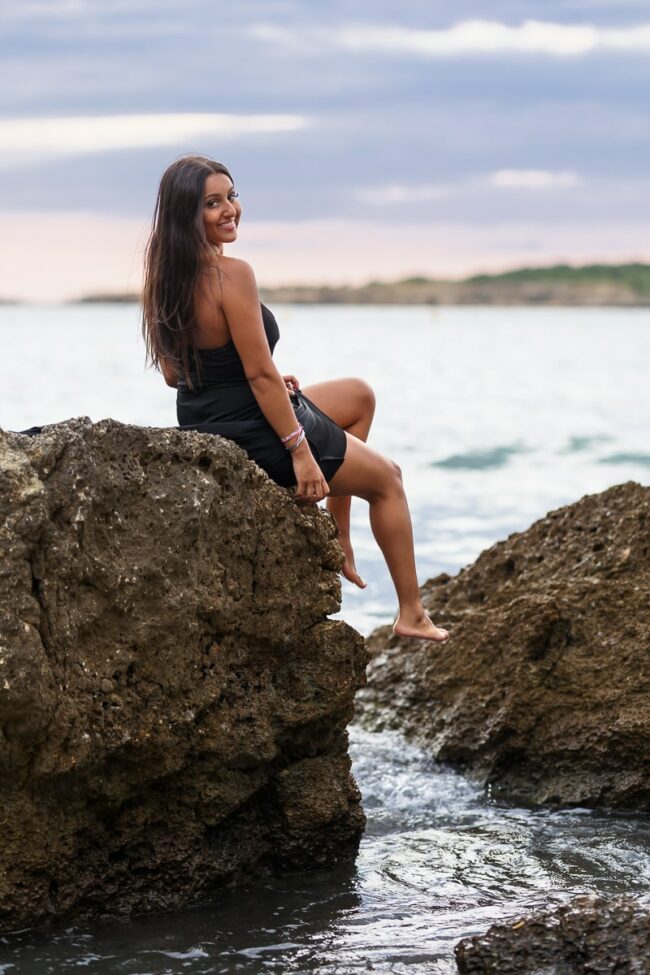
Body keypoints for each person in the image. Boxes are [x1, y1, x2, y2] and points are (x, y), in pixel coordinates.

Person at [142, 155, 449, 643]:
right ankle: (411, 612)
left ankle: (340, 534)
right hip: (257, 429)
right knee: (388, 479)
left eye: (232, 196)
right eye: (213, 203)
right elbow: (260, 374)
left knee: (358, 397)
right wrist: (301, 453)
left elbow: (175, 376)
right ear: (187, 214)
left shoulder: (163, 279)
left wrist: (257, 381)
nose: (230, 210)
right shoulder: (232, 274)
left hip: (206, 422)